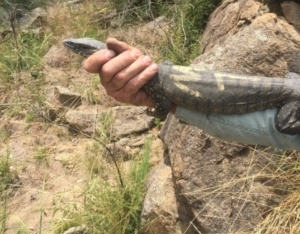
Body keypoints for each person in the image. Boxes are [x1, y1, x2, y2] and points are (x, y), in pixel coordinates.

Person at [84, 38, 300, 151]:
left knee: (286, 123)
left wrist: (160, 109)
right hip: (289, 91)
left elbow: (282, 128)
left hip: (290, 92)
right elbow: (271, 128)